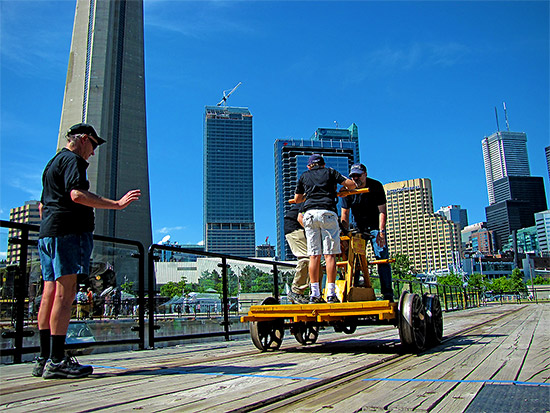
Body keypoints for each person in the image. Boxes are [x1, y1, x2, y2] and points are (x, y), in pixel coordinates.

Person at [34, 123, 141, 379]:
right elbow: (77, 195)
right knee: (65, 292)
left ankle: (44, 356)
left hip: (48, 233)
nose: (93, 152)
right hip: (67, 233)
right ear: (83, 139)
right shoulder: (74, 161)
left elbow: (41, 206)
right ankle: (58, 361)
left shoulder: (52, 164)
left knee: (49, 291)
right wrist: (116, 204)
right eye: (93, 144)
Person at [292, 154, 355, 304]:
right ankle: (331, 294)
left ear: (309, 166)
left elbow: (297, 199)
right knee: (330, 255)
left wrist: (308, 194)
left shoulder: (304, 176)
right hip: (327, 212)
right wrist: (341, 188)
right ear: (323, 164)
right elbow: (350, 184)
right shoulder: (330, 172)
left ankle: (314, 294)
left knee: (314, 256)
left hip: (310, 214)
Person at [340, 163, 394, 302]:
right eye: (353, 176)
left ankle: (387, 293)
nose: (356, 178)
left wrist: (381, 232)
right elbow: (344, 215)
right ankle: (355, 291)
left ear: (365, 174)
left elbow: (382, 211)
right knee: (355, 258)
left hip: (375, 227)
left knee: (381, 256)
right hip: (358, 229)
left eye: (358, 175)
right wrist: (344, 235)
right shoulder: (348, 189)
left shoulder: (375, 186)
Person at [284, 203, 309, 304]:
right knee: (307, 257)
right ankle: (296, 291)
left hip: (302, 227)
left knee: (316, 261)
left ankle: (316, 293)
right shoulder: (314, 200)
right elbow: (300, 218)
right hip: (295, 227)